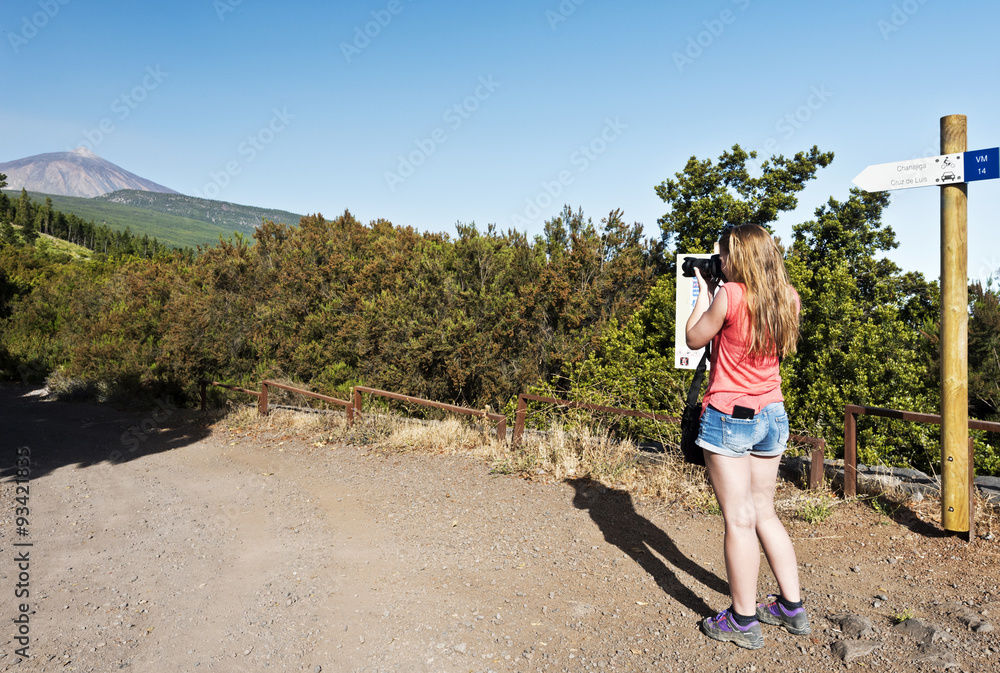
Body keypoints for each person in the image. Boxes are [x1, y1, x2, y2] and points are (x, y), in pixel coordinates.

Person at [684, 224, 810, 650]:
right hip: (773, 413)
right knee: (765, 513)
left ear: (736, 256)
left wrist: (701, 292)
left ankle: (742, 618)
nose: (721, 261)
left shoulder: (731, 295)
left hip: (729, 416)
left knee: (739, 518)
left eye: (724, 254)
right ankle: (791, 608)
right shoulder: (788, 298)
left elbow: (694, 336)